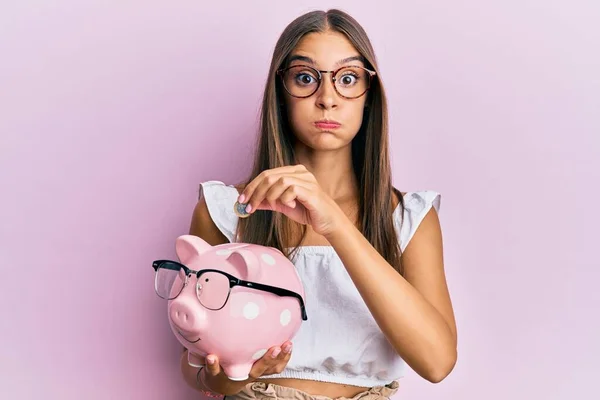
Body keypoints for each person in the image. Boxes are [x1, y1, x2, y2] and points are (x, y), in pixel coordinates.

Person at [181, 8, 457, 400]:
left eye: (348, 79)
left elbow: (437, 362)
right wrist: (233, 378)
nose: (327, 99)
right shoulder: (227, 211)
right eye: (305, 78)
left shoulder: (407, 218)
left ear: (369, 95)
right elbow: (195, 368)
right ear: (281, 90)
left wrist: (335, 224)